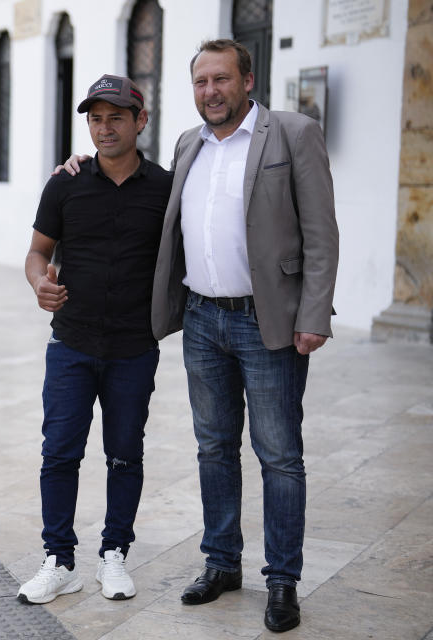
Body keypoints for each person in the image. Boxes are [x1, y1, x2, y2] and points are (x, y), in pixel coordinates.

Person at [61, 40, 338, 632]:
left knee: (280, 455)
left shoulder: (292, 133)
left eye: (221, 79)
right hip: (203, 322)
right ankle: (222, 563)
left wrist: (314, 313)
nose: (210, 91)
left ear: (247, 80)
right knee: (213, 448)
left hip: (271, 323)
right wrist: (78, 165)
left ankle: (283, 580)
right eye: (200, 82)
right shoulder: (189, 144)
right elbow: (132, 178)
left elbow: (321, 231)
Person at [18, 75, 172, 605]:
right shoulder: (65, 183)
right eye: (95, 118)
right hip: (71, 345)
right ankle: (60, 561)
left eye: (116, 117)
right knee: (59, 453)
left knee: (125, 454)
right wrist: (40, 281)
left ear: (140, 121)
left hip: (134, 347)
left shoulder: (165, 188)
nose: (104, 128)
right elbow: (37, 253)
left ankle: (114, 555)